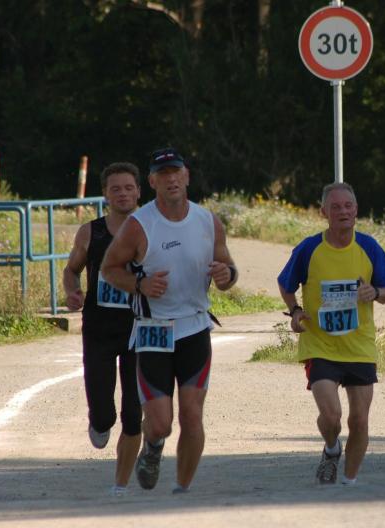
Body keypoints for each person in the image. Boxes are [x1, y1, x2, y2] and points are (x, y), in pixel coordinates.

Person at [100, 147, 238, 494]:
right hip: (153, 330)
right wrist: (139, 285)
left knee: (192, 416)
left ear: (186, 176)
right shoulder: (139, 225)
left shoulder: (208, 221)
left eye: (176, 172)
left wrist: (227, 275)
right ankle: (154, 446)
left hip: (194, 327)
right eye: (163, 175)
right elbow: (109, 268)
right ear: (152, 182)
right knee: (161, 422)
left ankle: (182, 491)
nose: (171, 179)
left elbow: (228, 268)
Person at [277, 182, 385, 485]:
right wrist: (295, 312)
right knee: (331, 416)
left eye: (348, 206)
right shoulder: (309, 248)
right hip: (320, 345)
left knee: (359, 420)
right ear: (324, 212)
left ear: (356, 210)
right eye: (335, 207)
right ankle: (332, 448)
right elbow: (285, 283)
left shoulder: (369, 247)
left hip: (359, 347)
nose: (343, 212)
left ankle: (349, 483)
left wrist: (375, 292)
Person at [62, 162, 142, 497]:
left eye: (128, 188)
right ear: (106, 195)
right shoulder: (90, 232)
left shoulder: (153, 229)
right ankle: (99, 420)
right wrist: (72, 292)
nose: (123, 194)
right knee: (103, 412)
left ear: (139, 191)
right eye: (115, 189)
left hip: (140, 328)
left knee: (133, 412)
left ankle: (122, 481)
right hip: (99, 329)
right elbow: (71, 270)